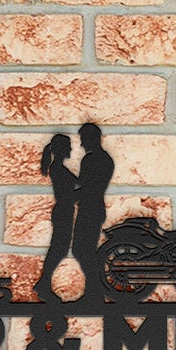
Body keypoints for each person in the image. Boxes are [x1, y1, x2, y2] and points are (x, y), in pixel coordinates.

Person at [72, 122, 116, 299]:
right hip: (91, 208)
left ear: (93, 139)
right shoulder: (100, 159)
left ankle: (94, 292)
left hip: (91, 209)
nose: (82, 144)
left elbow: (89, 187)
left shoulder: (94, 160)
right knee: (84, 250)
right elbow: (84, 184)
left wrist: (68, 195)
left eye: (83, 139)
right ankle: (94, 291)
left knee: (83, 250)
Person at [36, 132, 79, 299]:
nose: (70, 149)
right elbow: (70, 195)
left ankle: (43, 283)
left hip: (66, 210)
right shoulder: (58, 170)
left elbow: (80, 183)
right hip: (63, 210)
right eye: (68, 146)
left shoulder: (61, 169)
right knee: (58, 249)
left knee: (59, 249)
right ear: (62, 149)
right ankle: (43, 283)